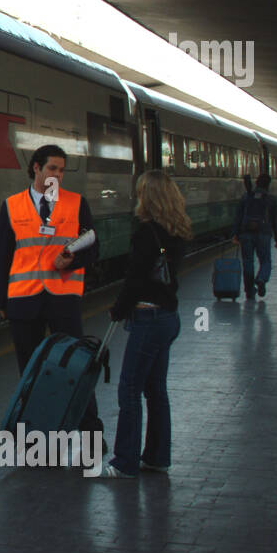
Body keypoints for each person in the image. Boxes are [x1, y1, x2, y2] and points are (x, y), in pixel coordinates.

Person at [0, 144, 103, 444]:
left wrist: (72, 261)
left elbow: (94, 249)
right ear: (36, 168)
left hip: (63, 298)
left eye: (62, 171)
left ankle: (91, 436)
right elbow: (2, 257)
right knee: (30, 372)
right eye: (52, 169)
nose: (57, 176)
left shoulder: (76, 204)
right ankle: (36, 442)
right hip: (23, 300)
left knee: (78, 366)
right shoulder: (11, 206)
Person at [101, 170, 190, 478]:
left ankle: (124, 462)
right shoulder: (176, 231)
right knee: (156, 391)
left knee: (129, 389)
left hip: (148, 318)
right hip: (168, 317)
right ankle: (156, 456)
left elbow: (135, 281)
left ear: (148, 197)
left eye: (140, 192)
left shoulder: (145, 233)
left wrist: (118, 309)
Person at [231, 172, 277, 299]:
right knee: (265, 260)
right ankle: (262, 279)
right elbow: (276, 220)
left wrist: (235, 234)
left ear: (256, 183)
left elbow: (238, 216)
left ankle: (249, 290)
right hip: (264, 233)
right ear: (268, 185)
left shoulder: (246, 197)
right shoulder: (271, 199)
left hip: (246, 233)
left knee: (248, 261)